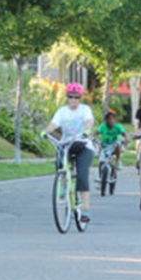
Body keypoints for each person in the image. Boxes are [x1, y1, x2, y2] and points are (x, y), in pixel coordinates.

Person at [45, 83, 95, 223]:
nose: (73, 100)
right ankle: (63, 187)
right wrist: (46, 132)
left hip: (83, 144)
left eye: (76, 97)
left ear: (80, 98)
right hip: (67, 144)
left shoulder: (85, 109)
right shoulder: (62, 111)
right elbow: (54, 124)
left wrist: (86, 131)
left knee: (82, 172)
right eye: (70, 97)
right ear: (67, 97)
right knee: (60, 165)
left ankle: (85, 208)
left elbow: (88, 121)